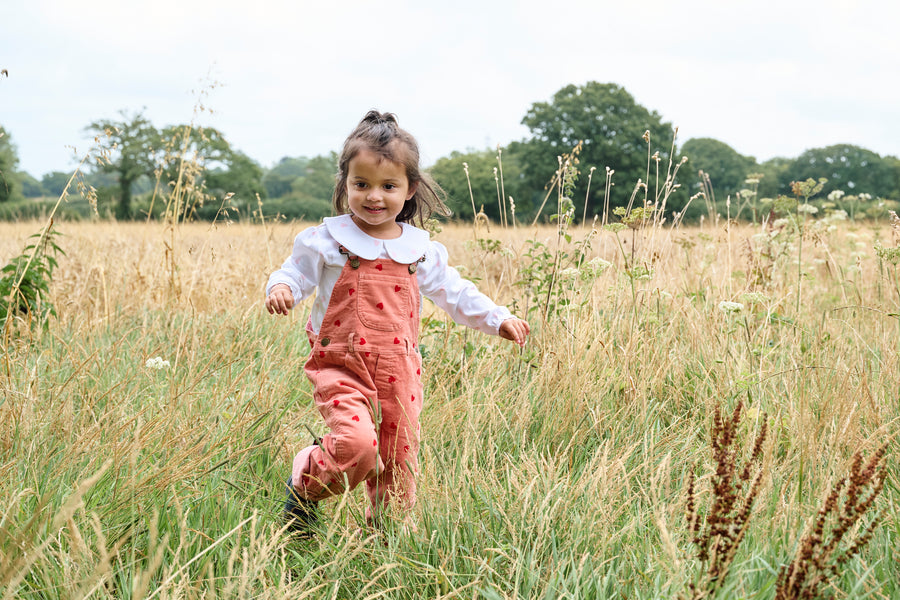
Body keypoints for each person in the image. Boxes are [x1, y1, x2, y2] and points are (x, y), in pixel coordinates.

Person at [265, 110, 530, 534]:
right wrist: (282, 289)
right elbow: (295, 273)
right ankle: (305, 482)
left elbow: (454, 292)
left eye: (388, 186)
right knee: (358, 447)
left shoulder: (420, 250)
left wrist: (498, 318)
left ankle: (384, 547)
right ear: (345, 185)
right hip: (340, 365)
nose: (374, 196)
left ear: (410, 189)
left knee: (398, 462)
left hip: (399, 370)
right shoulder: (328, 241)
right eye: (361, 184)